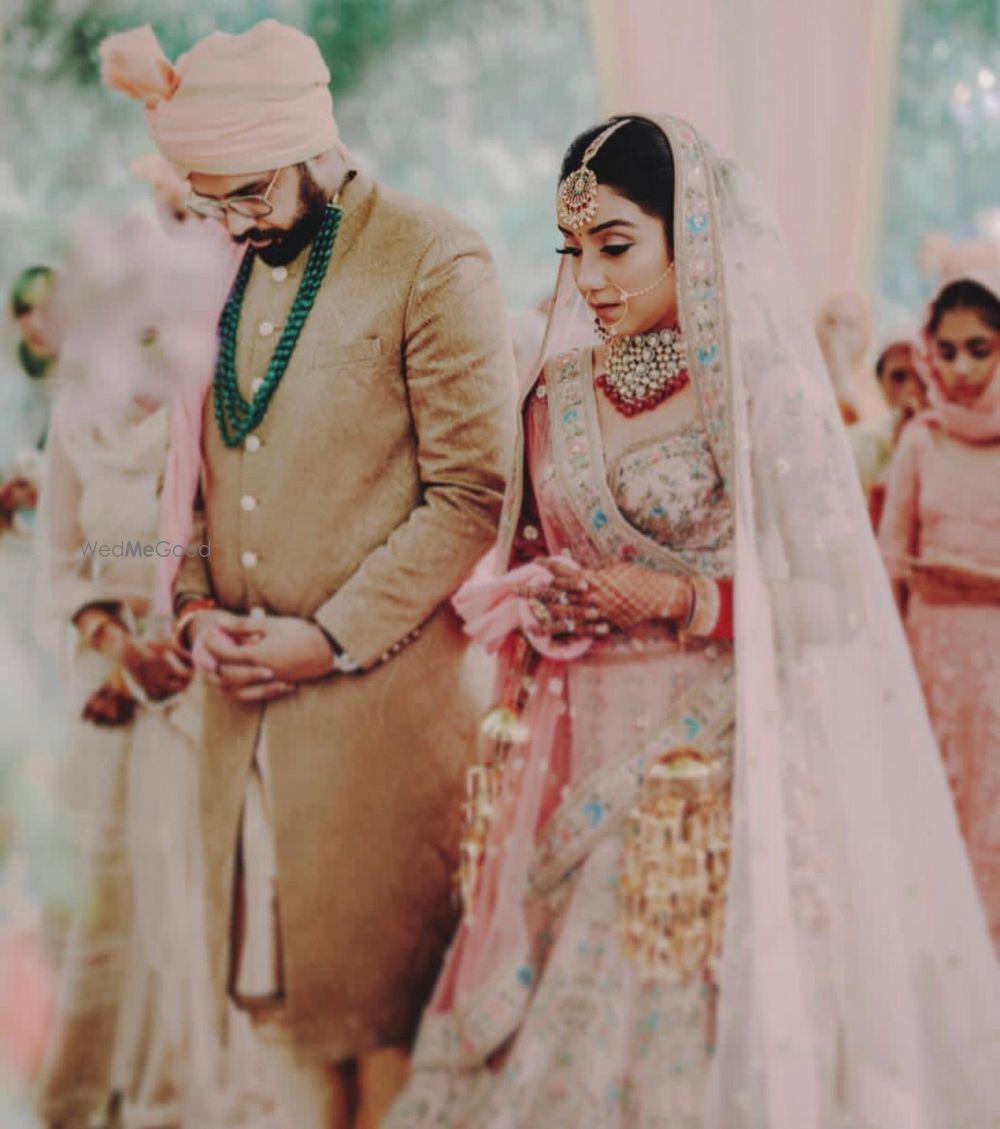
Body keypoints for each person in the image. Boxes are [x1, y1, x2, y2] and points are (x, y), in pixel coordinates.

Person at [386, 115, 1000, 1129]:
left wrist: (681, 598)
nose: (589, 277)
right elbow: (535, 556)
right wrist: (541, 598)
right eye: (572, 249)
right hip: (574, 745)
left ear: (694, 238)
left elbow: (834, 600)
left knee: (692, 1009)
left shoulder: (758, 396)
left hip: (720, 764)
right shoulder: (552, 393)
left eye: (616, 245)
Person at [101, 20, 514, 1129]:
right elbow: (193, 476)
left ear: (305, 148)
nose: (228, 223)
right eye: (210, 202)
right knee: (280, 1048)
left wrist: (325, 636)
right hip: (242, 736)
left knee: (390, 1048)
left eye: (242, 196)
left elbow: (473, 494)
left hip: (381, 728)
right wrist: (190, 611)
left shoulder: (433, 256)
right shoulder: (225, 264)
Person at [879, 274, 1000, 951]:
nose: (960, 368)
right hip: (929, 662)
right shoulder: (920, 440)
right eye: (947, 350)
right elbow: (889, 562)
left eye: (979, 349)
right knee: (928, 806)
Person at [850, 337, 928, 527]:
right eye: (898, 377)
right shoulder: (857, 441)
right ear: (880, 382)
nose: (910, 388)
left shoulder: (962, 437)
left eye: (921, 376)